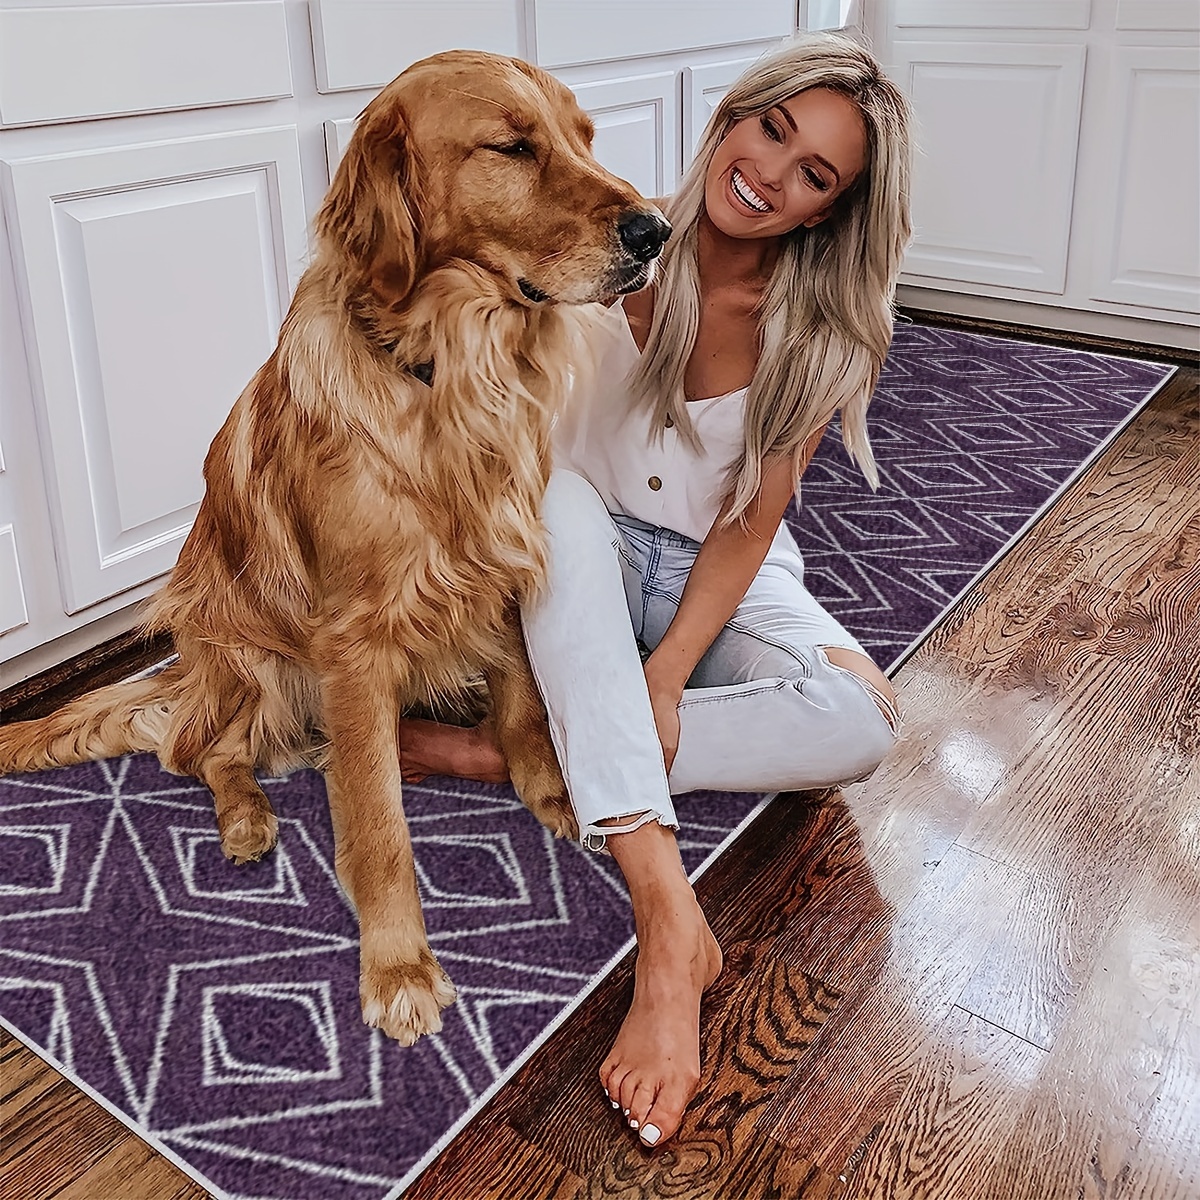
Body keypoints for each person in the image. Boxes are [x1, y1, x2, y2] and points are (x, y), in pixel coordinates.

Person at [400, 32, 913, 1149]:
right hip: (564, 555)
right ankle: (668, 924)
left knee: (862, 721)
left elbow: (749, 523)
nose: (773, 172)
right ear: (735, 115)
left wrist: (670, 674)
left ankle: (519, 750)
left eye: (814, 173)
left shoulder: (817, 328)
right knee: (557, 504)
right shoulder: (600, 230)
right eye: (770, 129)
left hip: (718, 571)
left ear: (829, 209)